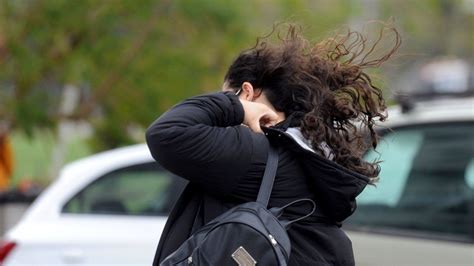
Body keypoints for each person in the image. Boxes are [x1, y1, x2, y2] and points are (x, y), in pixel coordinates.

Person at [146, 24, 400, 265]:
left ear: (247, 91)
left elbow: (165, 133)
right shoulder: (311, 153)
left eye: (227, 95)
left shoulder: (254, 151)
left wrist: (236, 107)